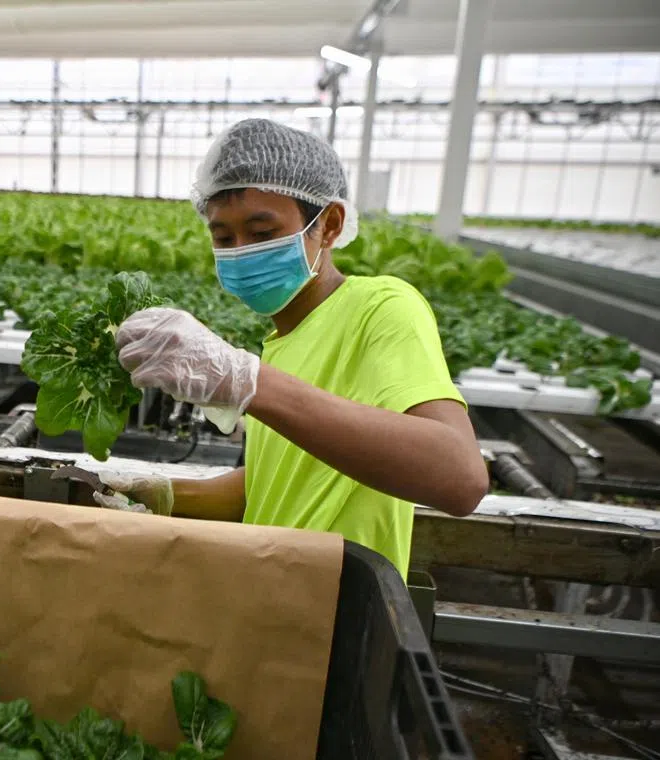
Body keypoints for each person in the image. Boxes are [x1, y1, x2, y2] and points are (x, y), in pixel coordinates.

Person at [96, 119, 488, 577]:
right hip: (276, 596)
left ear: (330, 225)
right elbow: (279, 483)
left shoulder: (380, 307)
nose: (241, 252)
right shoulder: (282, 344)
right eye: (223, 238)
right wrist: (166, 493)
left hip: (338, 606)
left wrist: (246, 380)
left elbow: (460, 478)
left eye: (263, 233)